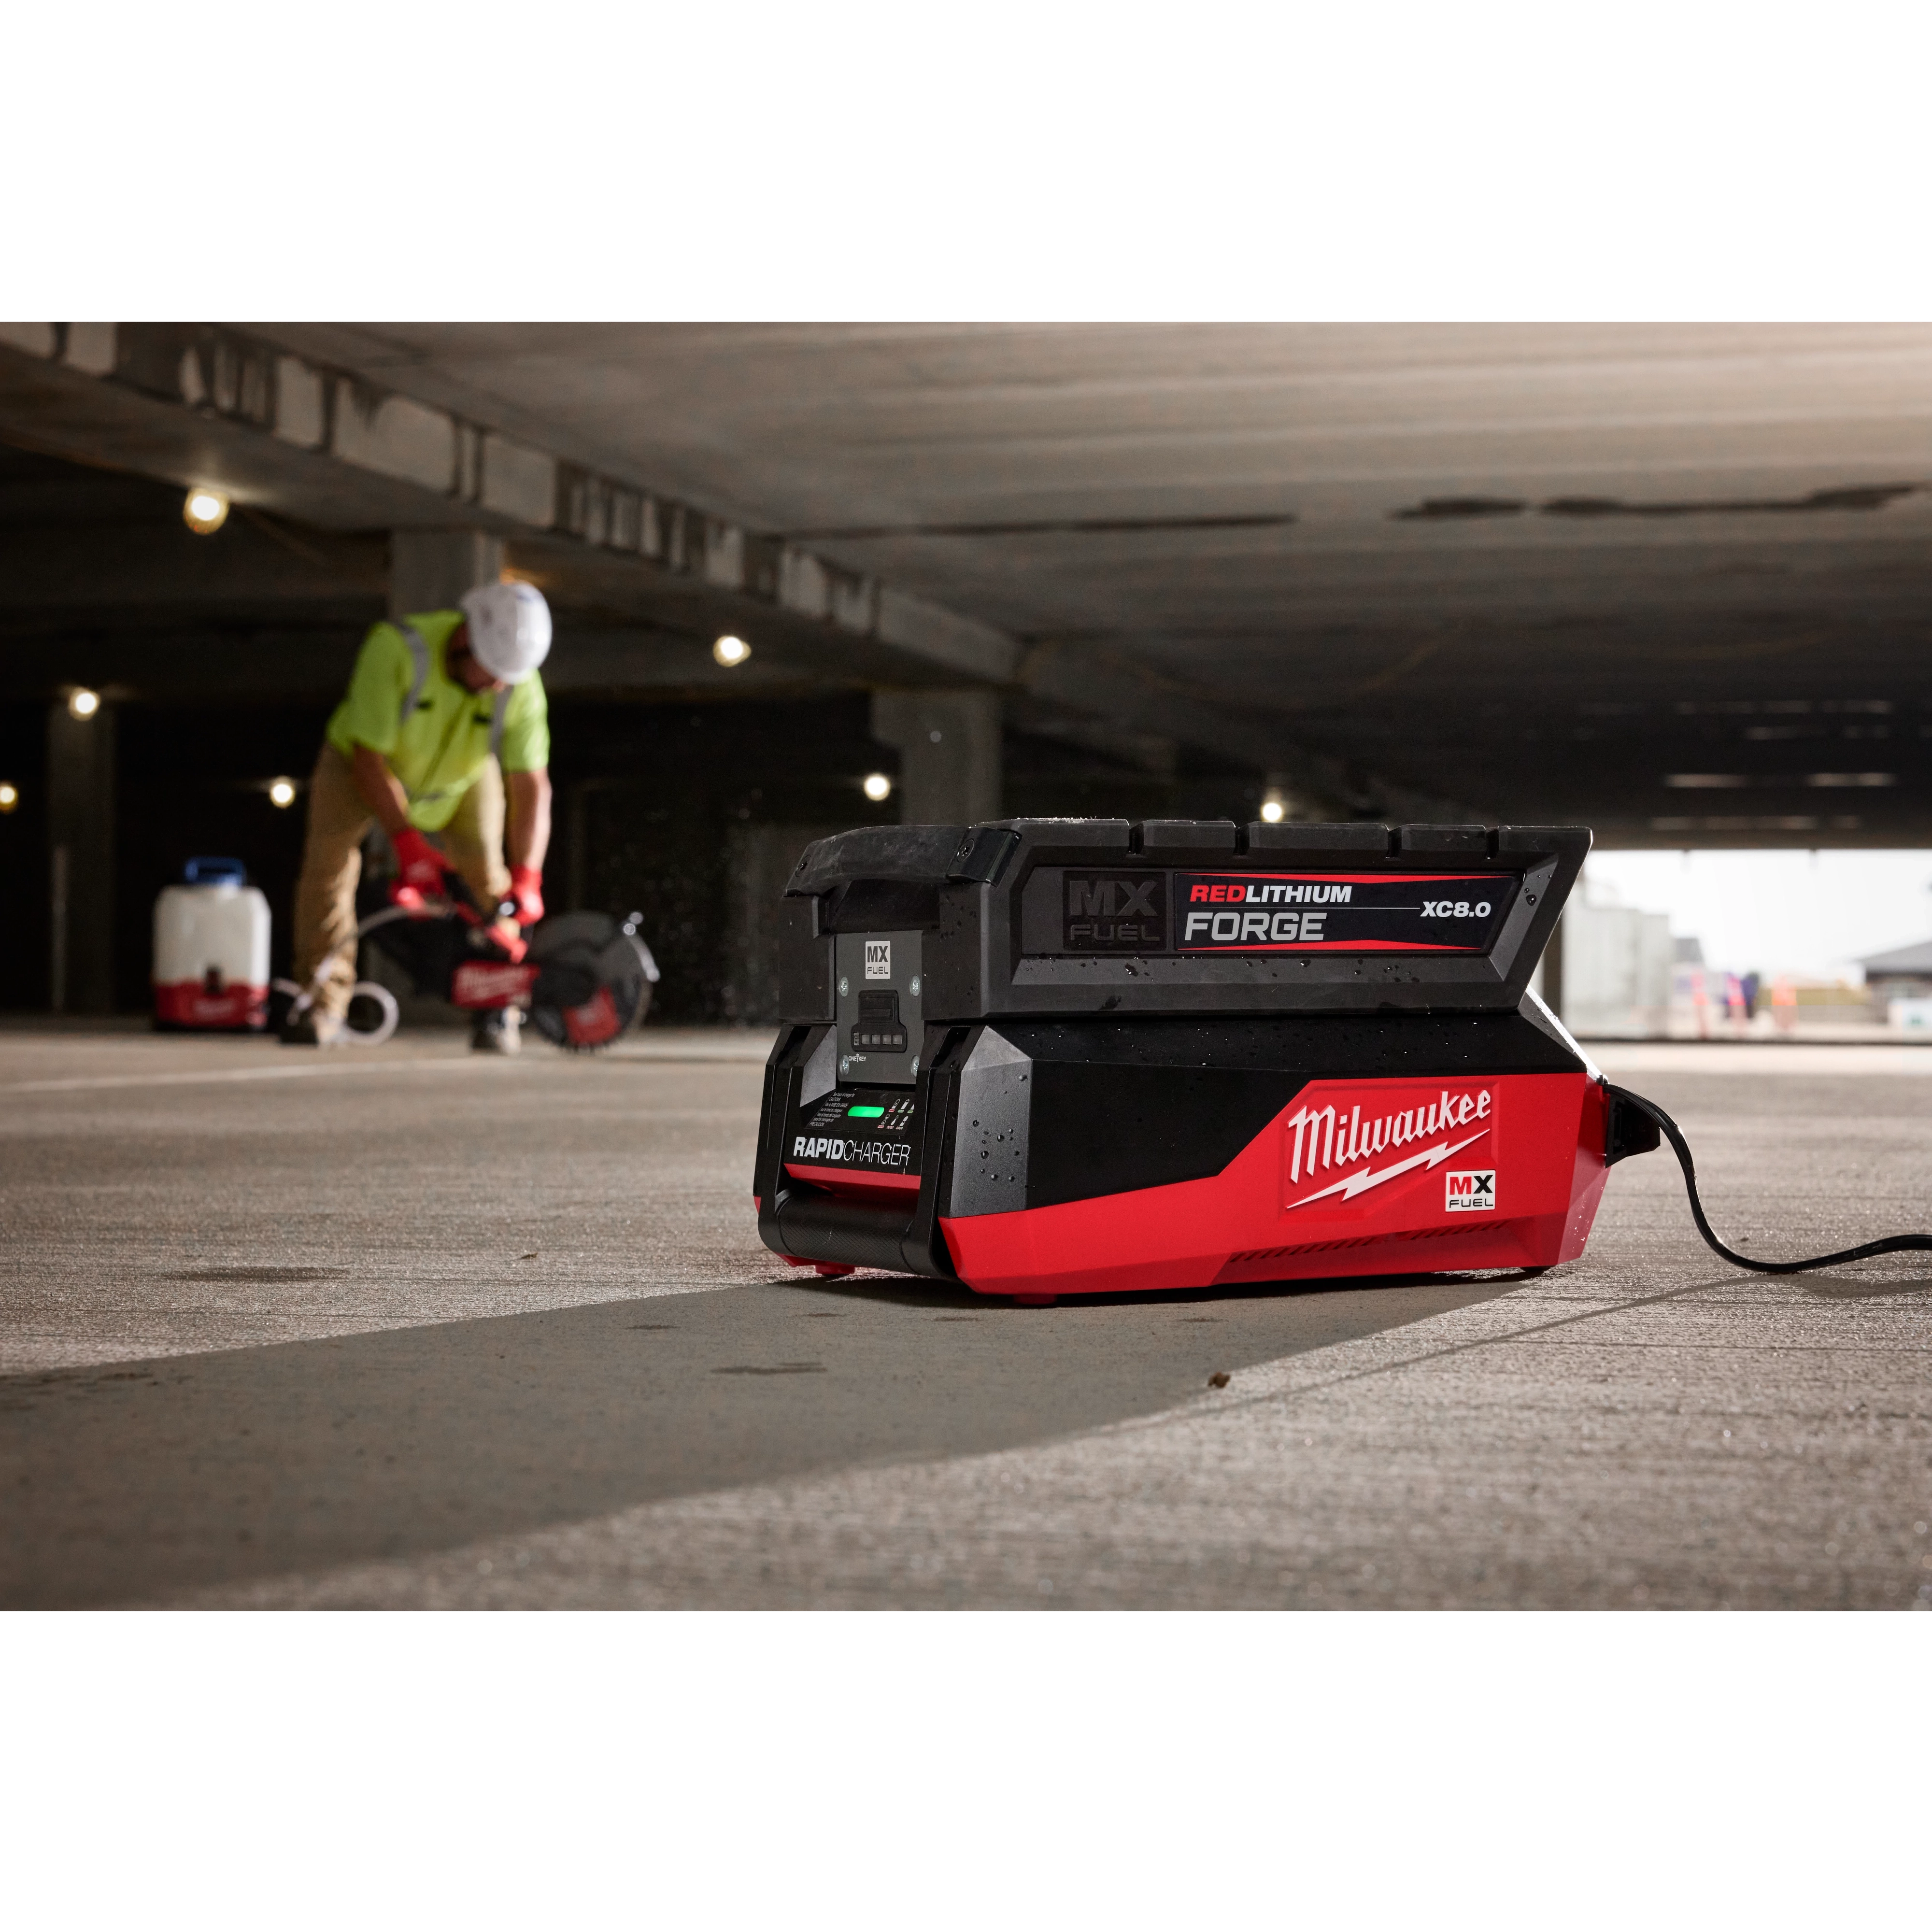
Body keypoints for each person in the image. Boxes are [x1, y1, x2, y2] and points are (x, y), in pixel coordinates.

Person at [285, 581, 553, 1051]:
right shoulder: (395, 650)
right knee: (329, 871)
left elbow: (532, 786)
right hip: (362, 769)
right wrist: (408, 844)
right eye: (491, 669)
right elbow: (368, 761)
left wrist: (528, 877)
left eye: (507, 676)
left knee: (490, 881)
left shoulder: (520, 684)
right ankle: (323, 1003)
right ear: (465, 638)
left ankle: (497, 1007)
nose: (498, 685)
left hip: (462, 777)